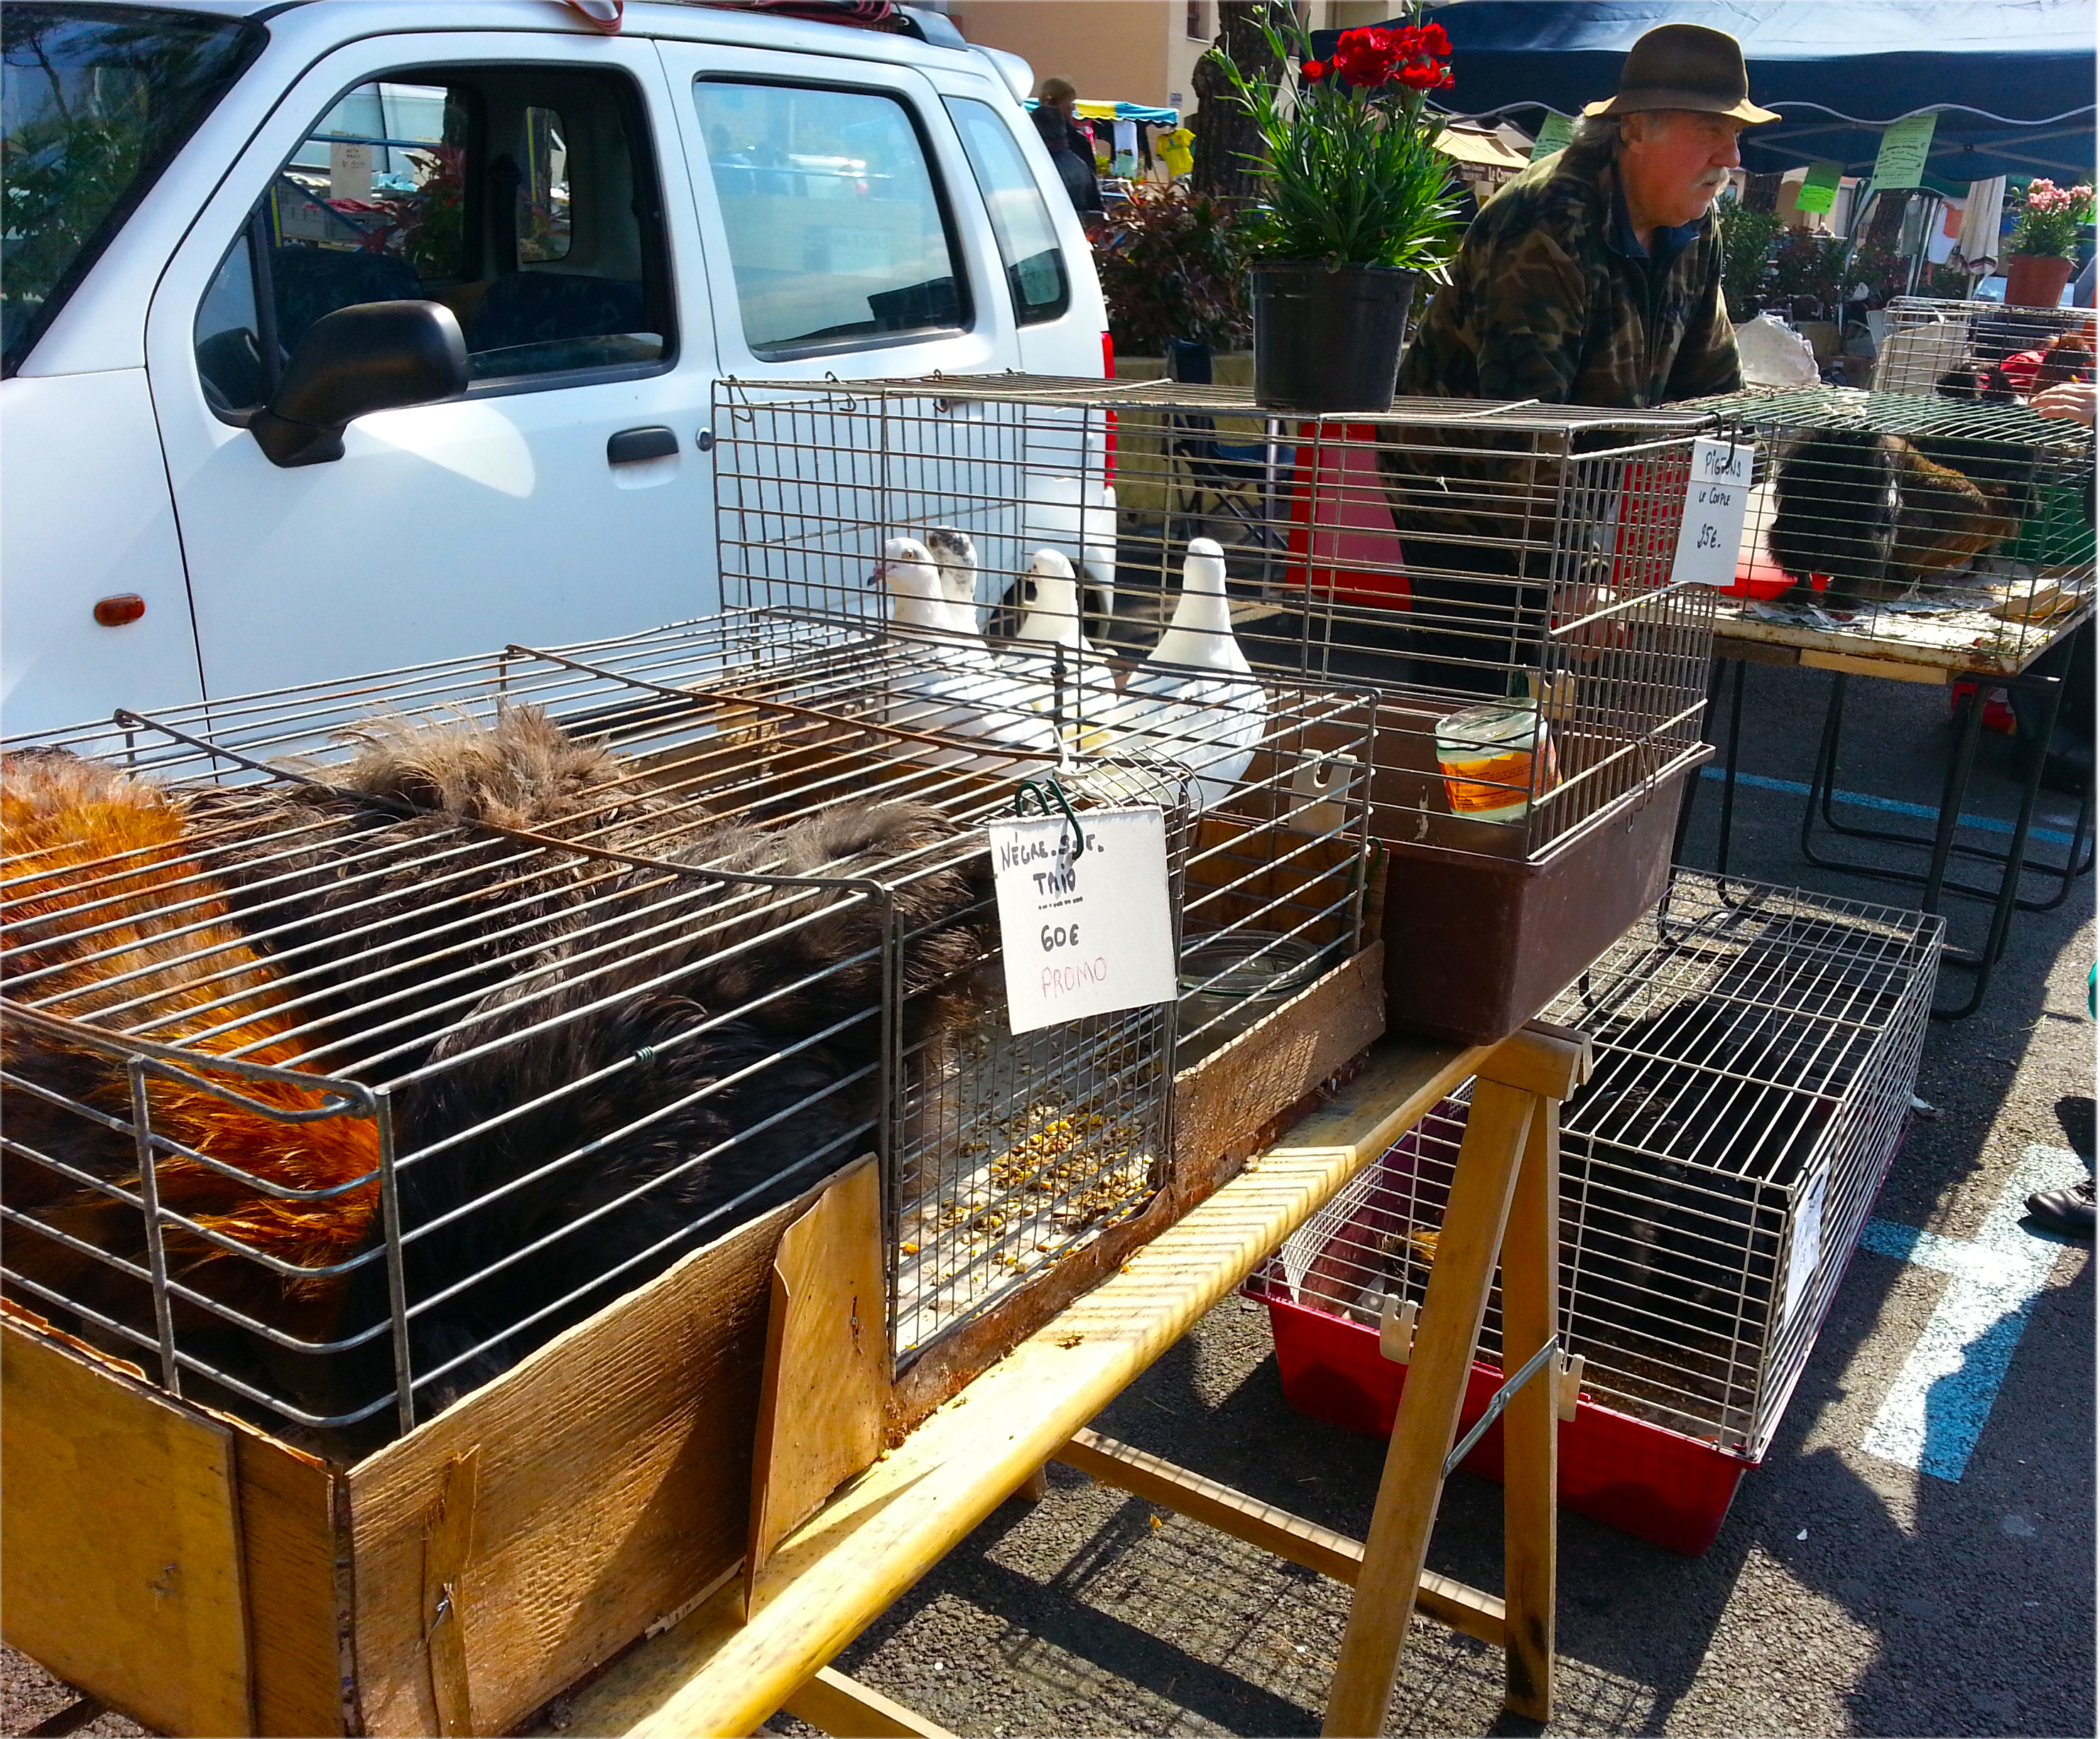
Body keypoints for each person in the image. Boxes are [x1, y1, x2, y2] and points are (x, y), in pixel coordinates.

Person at [1379, 25, 1777, 690]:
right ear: (1634, 129)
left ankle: (1540, 770)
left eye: (1734, 133)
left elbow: (1710, 385)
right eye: (1710, 129)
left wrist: (1722, 520)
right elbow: (1519, 425)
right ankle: (1451, 776)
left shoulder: (1693, 220)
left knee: (1572, 681)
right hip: (1461, 486)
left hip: (1573, 476)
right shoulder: (1548, 221)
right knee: (1479, 683)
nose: (1731, 154)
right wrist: (1577, 575)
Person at [1033, 77, 1101, 217]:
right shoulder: (1076, 140)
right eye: (1070, 103)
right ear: (1057, 105)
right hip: (1073, 217)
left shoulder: (1023, 131)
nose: (1073, 108)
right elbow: (1092, 190)